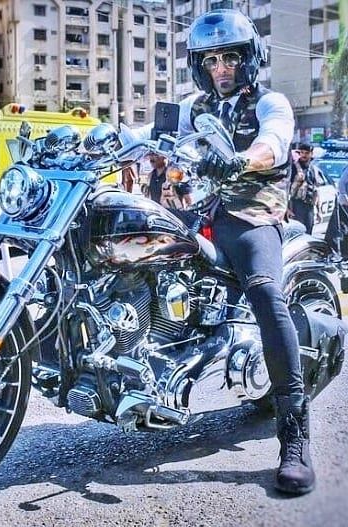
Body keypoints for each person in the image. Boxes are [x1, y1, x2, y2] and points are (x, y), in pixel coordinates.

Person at [136, 8, 314, 495]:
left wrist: (245, 158)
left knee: (264, 292)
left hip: (255, 217)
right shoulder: (197, 108)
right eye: (211, 59)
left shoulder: (269, 101)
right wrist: (98, 139)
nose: (221, 67)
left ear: (248, 58)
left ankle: (293, 432)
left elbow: (275, 142)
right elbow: (147, 136)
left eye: (230, 56)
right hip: (206, 213)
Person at [288, 143, 322, 234]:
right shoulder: (293, 168)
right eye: (301, 152)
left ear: (311, 154)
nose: (303, 155)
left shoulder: (313, 169)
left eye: (306, 153)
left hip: (309, 207)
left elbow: (316, 190)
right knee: (297, 233)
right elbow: (286, 189)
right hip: (296, 206)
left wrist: (319, 211)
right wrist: (287, 209)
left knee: (308, 234)